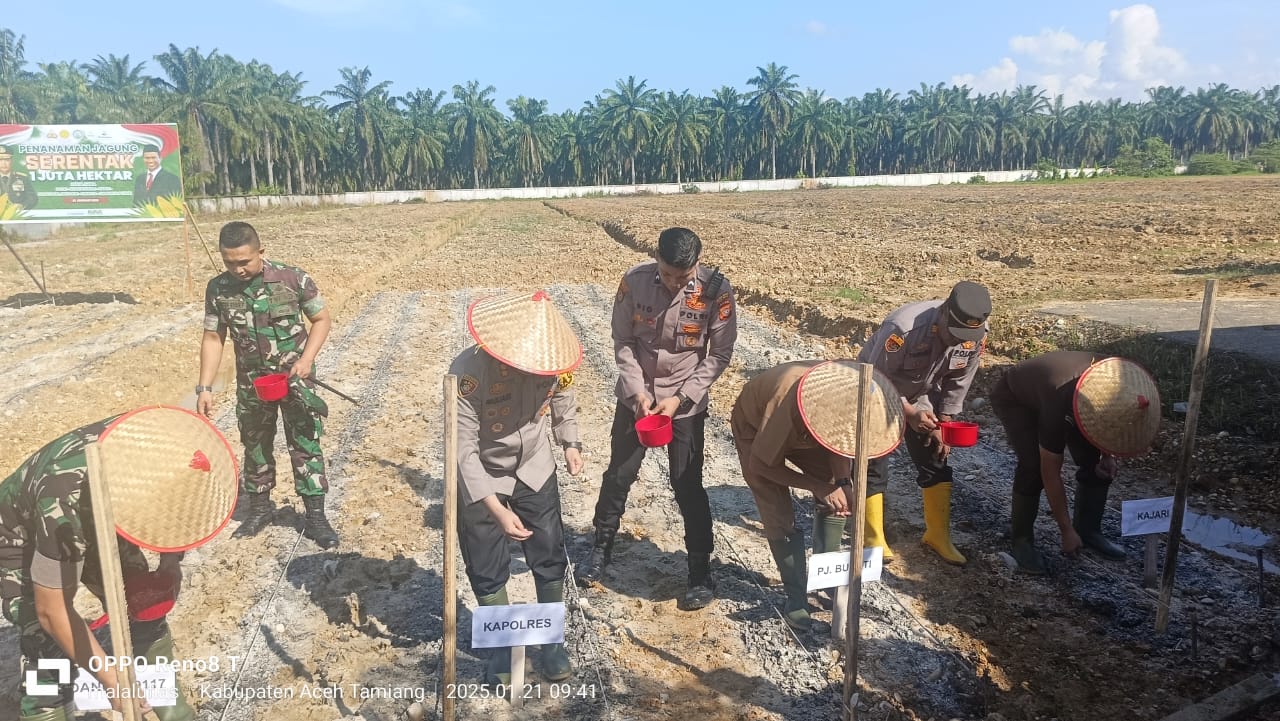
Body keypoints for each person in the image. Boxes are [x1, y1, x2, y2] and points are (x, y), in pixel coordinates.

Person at [0, 406, 238, 721]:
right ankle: (46, 711)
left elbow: (179, 513)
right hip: (22, 533)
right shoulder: (61, 504)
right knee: (46, 641)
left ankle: (168, 707)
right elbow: (51, 611)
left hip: (107, 505)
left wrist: (170, 562)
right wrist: (113, 682)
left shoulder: (160, 441)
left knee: (142, 601)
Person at [576, 227, 737, 611]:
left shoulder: (716, 290)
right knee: (619, 473)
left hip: (685, 403)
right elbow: (623, 342)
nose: (673, 283)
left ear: (696, 264)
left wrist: (680, 398)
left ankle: (700, 570)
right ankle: (600, 548)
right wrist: (638, 394)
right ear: (657, 259)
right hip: (638, 400)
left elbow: (719, 354)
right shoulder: (634, 282)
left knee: (687, 484)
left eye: (682, 278)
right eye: (666, 274)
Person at [451, 290, 584, 686]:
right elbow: (463, 450)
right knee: (486, 564)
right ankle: (503, 647)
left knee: (548, 553)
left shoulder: (552, 360)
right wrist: (496, 508)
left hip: (534, 466)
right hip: (483, 474)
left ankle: (551, 643)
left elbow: (564, 395)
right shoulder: (468, 375)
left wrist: (570, 442)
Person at [196, 221, 338, 548]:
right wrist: (205, 387)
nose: (238, 269)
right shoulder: (218, 289)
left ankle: (315, 515)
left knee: (305, 441)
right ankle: (260, 509)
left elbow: (321, 319)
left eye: (244, 261)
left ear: (261, 251)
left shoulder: (292, 279)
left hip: (295, 379)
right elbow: (213, 337)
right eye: (229, 262)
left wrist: (306, 359)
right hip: (253, 384)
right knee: (255, 443)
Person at [731, 359, 902, 630]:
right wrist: (818, 486)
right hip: (757, 431)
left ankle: (826, 580)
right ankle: (796, 597)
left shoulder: (846, 397)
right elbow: (761, 465)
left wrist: (843, 482)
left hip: (811, 429)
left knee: (836, 491)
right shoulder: (786, 403)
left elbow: (839, 442)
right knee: (777, 511)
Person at [855, 280, 992, 566]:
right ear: (943, 312)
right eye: (953, 333)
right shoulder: (903, 329)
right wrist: (908, 413)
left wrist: (944, 423)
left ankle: (937, 536)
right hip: (874, 391)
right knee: (874, 460)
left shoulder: (974, 335)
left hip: (921, 395)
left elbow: (958, 381)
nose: (958, 340)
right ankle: (872, 538)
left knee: (936, 455)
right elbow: (875, 376)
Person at [989, 352, 1161, 574]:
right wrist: (1065, 530)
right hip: (1016, 398)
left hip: (1068, 396)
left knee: (1094, 462)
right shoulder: (1058, 399)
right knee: (1032, 466)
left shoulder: (1116, 378)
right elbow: (1050, 472)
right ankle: (1021, 541)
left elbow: (1107, 425)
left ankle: (1089, 531)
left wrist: (1106, 455)